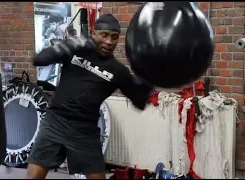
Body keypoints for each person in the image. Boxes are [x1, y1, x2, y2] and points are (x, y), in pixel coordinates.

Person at [26, 14, 154, 179]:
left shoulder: (118, 71)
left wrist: (150, 77)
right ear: (94, 33)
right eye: (104, 35)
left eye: (114, 37)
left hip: (85, 130)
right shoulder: (76, 50)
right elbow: (39, 59)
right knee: (33, 176)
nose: (109, 42)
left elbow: (139, 101)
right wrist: (71, 44)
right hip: (55, 121)